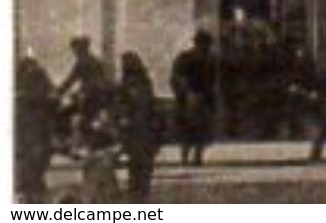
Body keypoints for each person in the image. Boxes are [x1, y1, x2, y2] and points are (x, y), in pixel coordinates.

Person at [114, 53, 161, 202]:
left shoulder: (135, 83)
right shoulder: (139, 82)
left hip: (140, 128)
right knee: (139, 162)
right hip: (139, 128)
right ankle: (139, 191)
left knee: (139, 162)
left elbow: (142, 103)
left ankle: (139, 191)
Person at [170, 30, 217, 166]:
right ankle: (186, 157)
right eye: (204, 44)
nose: (205, 47)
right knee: (189, 129)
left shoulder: (210, 60)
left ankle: (196, 156)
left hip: (202, 99)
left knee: (200, 129)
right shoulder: (186, 58)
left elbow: (212, 81)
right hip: (189, 99)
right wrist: (186, 93)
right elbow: (177, 78)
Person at [15, 57, 56, 202]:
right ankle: (31, 184)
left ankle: (32, 183)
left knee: (38, 154)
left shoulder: (36, 78)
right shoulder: (25, 80)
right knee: (35, 155)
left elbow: (52, 96)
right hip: (31, 123)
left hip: (37, 123)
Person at [59, 36, 112, 148]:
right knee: (83, 119)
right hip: (101, 98)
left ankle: (75, 143)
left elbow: (70, 80)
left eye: (75, 49)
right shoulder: (96, 61)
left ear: (80, 49)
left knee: (71, 116)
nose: (74, 52)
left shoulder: (83, 63)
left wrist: (59, 92)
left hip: (91, 98)